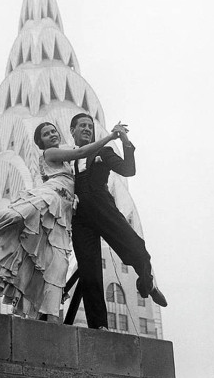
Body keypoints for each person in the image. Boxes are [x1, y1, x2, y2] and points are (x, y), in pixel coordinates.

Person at [0, 121, 124, 323]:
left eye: (53, 131)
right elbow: (81, 152)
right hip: (46, 198)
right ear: (41, 142)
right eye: (46, 134)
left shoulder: (68, 161)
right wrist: (110, 137)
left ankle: (51, 320)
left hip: (61, 215)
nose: (52, 135)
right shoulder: (50, 154)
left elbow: (84, 168)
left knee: (58, 266)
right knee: (14, 216)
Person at [69, 113, 167, 330]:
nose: (87, 129)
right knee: (89, 272)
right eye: (82, 126)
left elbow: (128, 170)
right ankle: (99, 326)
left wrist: (125, 141)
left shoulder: (103, 150)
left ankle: (146, 283)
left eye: (89, 126)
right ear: (72, 131)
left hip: (103, 206)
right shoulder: (68, 158)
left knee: (137, 248)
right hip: (80, 217)